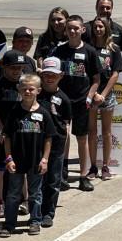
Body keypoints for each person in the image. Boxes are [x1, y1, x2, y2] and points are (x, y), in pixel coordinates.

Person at [54, 14, 102, 192]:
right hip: (63, 101)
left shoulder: (89, 51)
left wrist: (90, 96)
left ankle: (84, 176)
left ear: (82, 30)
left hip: (82, 101)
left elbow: (96, 79)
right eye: (69, 28)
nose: (72, 31)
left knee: (82, 138)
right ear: (65, 31)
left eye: (76, 28)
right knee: (63, 137)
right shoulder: (59, 51)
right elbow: (52, 74)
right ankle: (62, 174)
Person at [2, 74, 53, 237]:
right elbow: (7, 137)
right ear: (19, 90)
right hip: (16, 160)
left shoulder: (44, 113)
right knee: (13, 193)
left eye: (31, 89)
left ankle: (35, 221)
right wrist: (8, 158)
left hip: (36, 160)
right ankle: (9, 224)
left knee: (35, 193)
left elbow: (48, 138)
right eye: (24, 88)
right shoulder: (14, 112)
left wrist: (45, 159)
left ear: (38, 90)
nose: (27, 91)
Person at [0, 50, 26, 214]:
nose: (16, 71)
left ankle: (26, 200)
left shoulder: (24, 84)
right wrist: (1, 128)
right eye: (13, 67)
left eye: (20, 67)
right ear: (5, 67)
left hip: (21, 132)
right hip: (1, 133)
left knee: (22, 167)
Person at [88, 16, 122, 180]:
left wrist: (103, 95)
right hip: (91, 94)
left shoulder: (114, 48)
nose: (98, 29)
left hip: (107, 96)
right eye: (95, 27)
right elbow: (87, 73)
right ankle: (93, 166)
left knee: (107, 132)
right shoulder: (87, 48)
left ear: (107, 28)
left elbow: (115, 74)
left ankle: (106, 166)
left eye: (101, 27)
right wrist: (93, 94)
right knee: (92, 131)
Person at [37, 58, 71, 227]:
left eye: (54, 75)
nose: (50, 78)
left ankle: (48, 213)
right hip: (37, 143)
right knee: (37, 179)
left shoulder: (63, 98)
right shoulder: (36, 95)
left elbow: (65, 123)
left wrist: (64, 146)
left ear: (61, 75)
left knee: (53, 179)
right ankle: (35, 211)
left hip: (56, 144)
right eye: (46, 74)